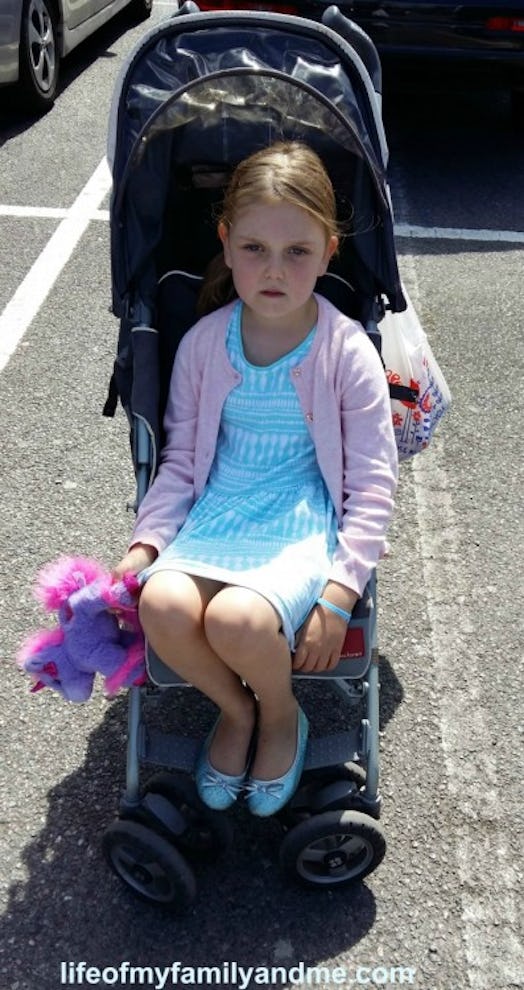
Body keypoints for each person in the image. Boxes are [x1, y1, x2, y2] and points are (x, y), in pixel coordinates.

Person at [114, 141, 398, 818]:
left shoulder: (344, 351)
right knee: (162, 606)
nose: (274, 270)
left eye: (297, 252)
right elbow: (181, 465)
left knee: (239, 619)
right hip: (221, 512)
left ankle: (279, 714)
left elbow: (374, 486)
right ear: (226, 241)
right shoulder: (205, 344)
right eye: (254, 249)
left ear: (330, 251)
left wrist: (337, 595)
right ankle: (236, 709)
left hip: (299, 520)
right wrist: (146, 545)